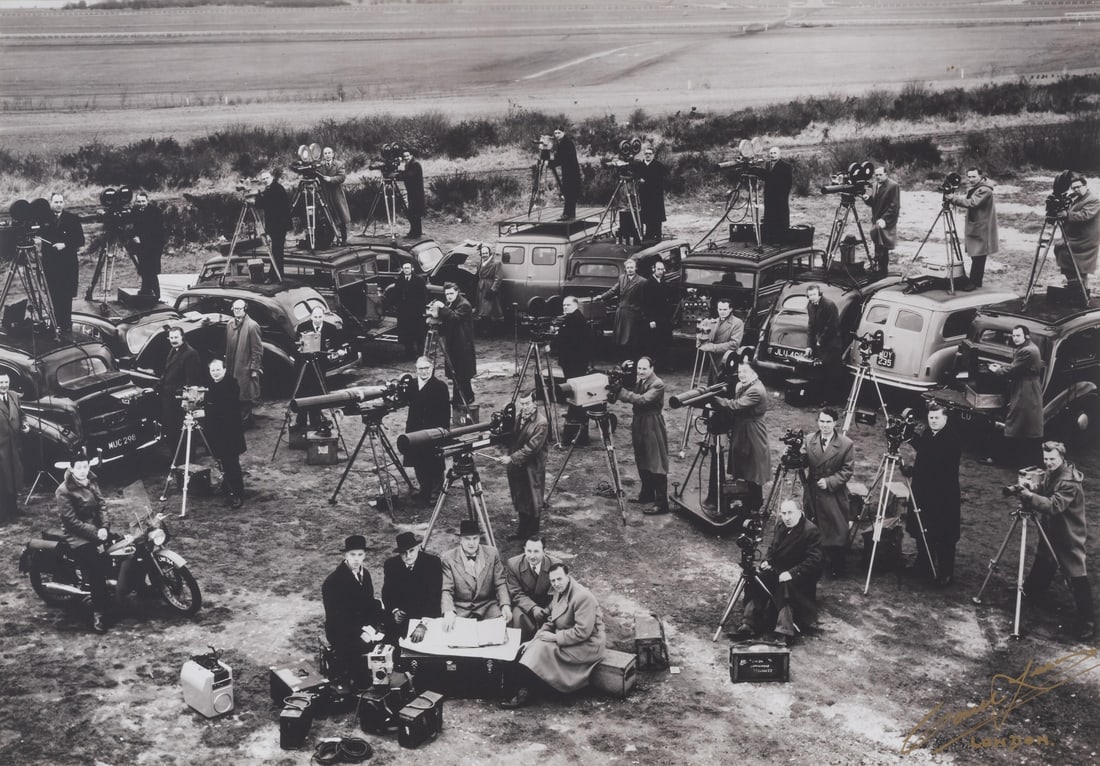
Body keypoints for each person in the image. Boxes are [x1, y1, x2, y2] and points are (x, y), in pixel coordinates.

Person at [501, 562, 606, 709]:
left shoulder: (583, 597)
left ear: (568, 577)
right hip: (569, 636)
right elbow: (552, 619)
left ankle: (527, 691)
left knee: (542, 649)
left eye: (559, 579)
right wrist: (535, 638)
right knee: (532, 646)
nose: (556, 583)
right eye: (552, 580)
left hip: (587, 644)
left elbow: (582, 632)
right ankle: (523, 687)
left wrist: (554, 638)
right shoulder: (559, 592)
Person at [1020, 441, 1094, 641]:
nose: (1048, 463)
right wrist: (1033, 488)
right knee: (1044, 557)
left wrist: (1030, 496)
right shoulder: (1053, 473)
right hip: (1052, 528)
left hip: (1068, 533)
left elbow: (1054, 505)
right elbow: (1046, 491)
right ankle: (1033, 590)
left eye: (1052, 459)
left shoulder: (1068, 481)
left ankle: (1087, 620)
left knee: (1076, 573)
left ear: (1062, 457)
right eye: (1045, 459)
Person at [731, 500, 823, 645]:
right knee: (756, 579)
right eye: (784, 513)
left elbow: (814, 561)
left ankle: (784, 631)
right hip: (779, 570)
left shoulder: (810, 531)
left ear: (800, 512)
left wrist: (792, 573)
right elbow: (773, 549)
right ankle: (749, 622)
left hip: (801, 576)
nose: (786, 517)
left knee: (785, 586)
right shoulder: (781, 526)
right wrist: (767, 561)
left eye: (790, 513)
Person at [905, 404, 961, 587]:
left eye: (936, 418)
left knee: (944, 535)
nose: (933, 421)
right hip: (924, 492)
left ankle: (946, 573)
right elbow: (923, 451)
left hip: (943, 496)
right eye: (931, 418)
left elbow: (936, 465)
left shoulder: (952, 439)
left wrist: (914, 471)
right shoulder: (929, 434)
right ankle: (924, 565)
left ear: (945, 419)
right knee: (923, 528)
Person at [322, 534, 386, 686]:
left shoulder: (366, 574)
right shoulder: (333, 582)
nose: (356, 559)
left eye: (360, 554)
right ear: (345, 555)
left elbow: (369, 604)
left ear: (364, 555)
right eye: (352, 555)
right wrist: (360, 633)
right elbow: (336, 618)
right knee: (362, 679)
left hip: (363, 625)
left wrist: (373, 627)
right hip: (342, 630)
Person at [57, 453, 111, 633]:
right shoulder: (63, 490)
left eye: (85, 467)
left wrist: (104, 526)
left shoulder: (91, 481)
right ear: (71, 468)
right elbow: (70, 521)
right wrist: (97, 533)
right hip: (77, 534)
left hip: (96, 528)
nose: (83, 471)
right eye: (79, 467)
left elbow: (102, 505)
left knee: (123, 547)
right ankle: (99, 612)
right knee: (96, 568)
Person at [802, 408, 854, 578]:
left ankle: (837, 565)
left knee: (835, 529)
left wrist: (830, 481)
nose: (824, 425)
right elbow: (803, 459)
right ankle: (817, 561)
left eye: (828, 422)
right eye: (821, 421)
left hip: (834, 494)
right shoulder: (810, 440)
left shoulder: (846, 444)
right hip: (813, 492)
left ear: (835, 423)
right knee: (814, 526)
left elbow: (847, 470)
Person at [713, 359, 771, 512]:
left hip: (752, 431)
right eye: (739, 372)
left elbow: (736, 405)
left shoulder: (756, 390)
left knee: (753, 467)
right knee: (744, 464)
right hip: (742, 428)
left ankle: (755, 505)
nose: (742, 375)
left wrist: (714, 399)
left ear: (754, 373)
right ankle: (746, 500)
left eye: (745, 372)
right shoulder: (744, 385)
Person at [614, 356, 669, 515]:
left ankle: (661, 502)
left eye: (644, 368)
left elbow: (643, 400)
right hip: (639, 422)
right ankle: (647, 494)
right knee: (642, 457)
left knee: (656, 461)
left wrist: (621, 392)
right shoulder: (641, 381)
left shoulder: (657, 384)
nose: (641, 371)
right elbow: (630, 392)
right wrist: (619, 382)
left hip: (652, 424)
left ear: (652, 369)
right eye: (639, 368)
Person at [988, 325, 1043, 469]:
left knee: (1015, 420)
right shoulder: (1029, 347)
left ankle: (1005, 459)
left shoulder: (1027, 351)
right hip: (1027, 385)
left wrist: (997, 370)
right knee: (1026, 422)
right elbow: (1017, 366)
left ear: (1026, 336)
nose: (1015, 338)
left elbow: (1013, 369)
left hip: (1025, 388)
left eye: (1018, 335)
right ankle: (1023, 460)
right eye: (1013, 335)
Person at [440, 519, 512, 628]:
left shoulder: (492, 553)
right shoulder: (448, 558)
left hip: (488, 606)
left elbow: (500, 583)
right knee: (455, 636)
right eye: (467, 539)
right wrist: (448, 610)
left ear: (479, 538)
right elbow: (446, 589)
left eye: (475, 538)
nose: (472, 543)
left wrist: (505, 605)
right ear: (460, 539)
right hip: (461, 608)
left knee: (501, 630)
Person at [404, 356, 450, 503]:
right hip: (415, 430)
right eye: (420, 369)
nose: (423, 372)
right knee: (418, 461)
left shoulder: (440, 386)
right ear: (416, 369)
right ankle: (425, 490)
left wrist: (442, 431)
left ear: (432, 368)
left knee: (435, 461)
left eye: (426, 368)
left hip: (433, 431)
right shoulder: (411, 384)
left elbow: (445, 412)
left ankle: (437, 493)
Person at [36, 192, 85, 331]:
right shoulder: (43, 219)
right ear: (50, 203)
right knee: (52, 294)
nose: (58, 205)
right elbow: (37, 235)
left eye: (61, 202)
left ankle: (66, 325)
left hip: (67, 264)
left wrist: (65, 245)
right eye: (56, 202)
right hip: (50, 264)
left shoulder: (72, 219)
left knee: (66, 295)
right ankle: (54, 324)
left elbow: (80, 240)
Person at [382, 532, 443, 641]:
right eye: (403, 553)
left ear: (418, 548)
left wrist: (424, 624)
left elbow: (435, 596)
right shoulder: (391, 565)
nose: (408, 556)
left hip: (427, 615)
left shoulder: (432, 563)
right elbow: (387, 593)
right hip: (401, 617)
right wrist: (394, 610)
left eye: (411, 551)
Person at [504, 392, 549, 541]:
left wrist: (511, 458)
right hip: (518, 466)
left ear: (535, 403)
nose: (524, 407)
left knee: (533, 500)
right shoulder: (519, 418)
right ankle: (522, 532)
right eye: (521, 403)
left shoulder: (541, 423)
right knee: (521, 498)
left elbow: (532, 448)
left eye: (527, 403)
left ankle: (532, 536)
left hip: (532, 468)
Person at [203, 358, 246, 509]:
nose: (215, 373)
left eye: (218, 370)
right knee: (222, 460)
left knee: (231, 463)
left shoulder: (230, 385)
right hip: (218, 432)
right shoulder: (211, 385)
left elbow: (224, 409)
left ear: (224, 370)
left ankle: (238, 493)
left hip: (230, 432)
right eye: (212, 370)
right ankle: (228, 487)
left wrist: (205, 411)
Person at [946, 167, 998, 290]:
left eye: (974, 176)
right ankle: (973, 281)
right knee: (976, 255)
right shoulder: (978, 188)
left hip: (982, 228)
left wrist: (952, 198)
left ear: (981, 176)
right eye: (969, 176)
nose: (971, 179)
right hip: (978, 226)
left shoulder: (985, 190)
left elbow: (972, 203)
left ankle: (974, 283)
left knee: (979, 256)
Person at [553, 295, 592, 446]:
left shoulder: (574, 320)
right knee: (574, 389)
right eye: (564, 305)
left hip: (574, 363)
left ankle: (576, 415)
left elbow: (564, 339)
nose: (565, 307)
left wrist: (552, 344)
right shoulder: (573, 319)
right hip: (574, 362)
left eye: (568, 305)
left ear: (576, 305)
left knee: (574, 389)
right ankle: (574, 412)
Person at [504, 536, 560, 640]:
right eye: (529, 551)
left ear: (544, 551)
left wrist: (548, 609)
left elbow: (559, 592)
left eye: (536, 551)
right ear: (524, 549)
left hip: (548, 606)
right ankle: (519, 647)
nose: (532, 556)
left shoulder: (556, 565)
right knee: (517, 616)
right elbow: (515, 592)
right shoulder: (513, 564)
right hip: (525, 606)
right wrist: (533, 608)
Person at [159, 326, 204, 456]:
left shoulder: (190, 354)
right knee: (172, 430)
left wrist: (185, 401)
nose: (173, 340)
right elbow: (166, 373)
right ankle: (177, 457)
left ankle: (187, 458)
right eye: (171, 337)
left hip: (180, 401)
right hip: (168, 399)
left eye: (176, 337)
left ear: (182, 337)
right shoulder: (173, 351)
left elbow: (192, 381)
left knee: (183, 431)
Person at [431, 282, 477, 406]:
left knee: (462, 373)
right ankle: (460, 397)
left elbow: (455, 317)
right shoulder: (449, 303)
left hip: (462, 344)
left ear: (457, 292)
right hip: (452, 342)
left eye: (451, 293)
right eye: (447, 294)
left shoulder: (464, 305)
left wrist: (442, 308)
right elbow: (447, 319)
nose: (449, 296)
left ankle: (466, 397)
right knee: (455, 372)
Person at [1055, 173, 1100, 296]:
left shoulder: (1093, 199)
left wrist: (1067, 215)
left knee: (1067, 254)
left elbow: (1085, 215)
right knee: (1065, 255)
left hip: (1085, 240)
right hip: (1076, 237)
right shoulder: (1076, 198)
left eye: (1078, 187)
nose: (1076, 190)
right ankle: (1075, 287)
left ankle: (1080, 290)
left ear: (1085, 186)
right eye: (1074, 188)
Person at [597, 258, 648, 359]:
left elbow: (644, 300)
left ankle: (632, 360)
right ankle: (622, 360)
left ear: (635, 268)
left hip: (633, 314)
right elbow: (613, 290)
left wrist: (642, 313)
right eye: (628, 268)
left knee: (630, 339)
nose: (630, 269)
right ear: (625, 269)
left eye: (631, 267)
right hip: (621, 312)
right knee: (620, 339)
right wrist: (602, 296)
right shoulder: (622, 278)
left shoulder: (642, 281)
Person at [293, 306, 333, 430]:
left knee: (317, 394)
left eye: (320, 317)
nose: (317, 320)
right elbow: (295, 346)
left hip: (319, 368)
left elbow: (335, 345)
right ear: (311, 317)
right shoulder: (302, 328)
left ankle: (316, 422)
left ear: (323, 317)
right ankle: (301, 422)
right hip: (304, 367)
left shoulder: (330, 329)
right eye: (315, 317)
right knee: (302, 394)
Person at [224, 299, 263, 427]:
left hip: (244, 367)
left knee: (245, 395)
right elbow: (226, 346)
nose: (237, 311)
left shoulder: (252, 326)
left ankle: (246, 422)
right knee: (233, 393)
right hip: (232, 365)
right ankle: (238, 420)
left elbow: (257, 350)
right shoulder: (229, 324)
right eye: (235, 309)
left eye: (239, 309)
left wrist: (254, 369)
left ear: (245, 309)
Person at [804, 284, 844, 404]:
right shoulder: (810, 306)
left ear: (819, 293)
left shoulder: (829, 305)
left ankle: (830, 400)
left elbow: (831, 326)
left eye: (814, 294)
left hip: (832, 344)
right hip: (819, 344)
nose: (812, 297)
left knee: (831, 373)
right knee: (819, 371)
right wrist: (808, 346)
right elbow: (811, 326)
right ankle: (819, 398)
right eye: (810, 295)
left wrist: (820, 340)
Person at [256, 169, 293, 281]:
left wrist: (257, 195)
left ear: (271, 177)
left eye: (267, 178)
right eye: (263, 179)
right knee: (276, 250)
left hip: (279, 225)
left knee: (277, 250)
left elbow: (261, 204)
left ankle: (276, 274)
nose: (265, 180)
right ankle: (275, 272)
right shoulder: (272, 188)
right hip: (277, 225)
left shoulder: (275, 189)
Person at [861, 165, 900, 272]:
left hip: (886, 220)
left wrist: (884, 219)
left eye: (880, 174)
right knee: (877, 242)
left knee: (884, 244)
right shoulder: (874, 185)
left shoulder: (893, 186)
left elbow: (894, 206)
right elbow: (874, 202)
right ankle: (877, 265)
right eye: (876, 175)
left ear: (886, 175)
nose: (878, 177)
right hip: (876, 219)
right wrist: (867, 198)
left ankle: (883, 269)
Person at [128, 191, 166, 298]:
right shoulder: (135, 211)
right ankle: (146, 291)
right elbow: (133, 226)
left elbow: (155, 232)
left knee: (151, 271)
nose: (141, 203)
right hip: (142, 247)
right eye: (139, 201)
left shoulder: (155, 212)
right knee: (144, 269)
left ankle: (156, 295)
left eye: (143, 201)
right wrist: (134, 236)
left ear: (147, 201)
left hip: (154, 246)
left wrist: (141, 240)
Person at [0, 374, 26, 523]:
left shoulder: (13, 396)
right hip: (1, 447)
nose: (4, 385)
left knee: (14, 477)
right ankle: (3, 514)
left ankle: (14, 509)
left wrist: (25, 424)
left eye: (6, 382)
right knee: (3, 480)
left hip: (15, 446)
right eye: (1, 382)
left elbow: (21, 414)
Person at [643, 260, 677, 368]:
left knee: (665, 341)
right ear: (653, 269)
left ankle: (665, 364)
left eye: (662, 269)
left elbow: (671, 293)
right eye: (659, 269)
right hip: (654, 318)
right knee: (655, 342)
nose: (661, 271)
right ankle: (655, 365)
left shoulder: (663, 281)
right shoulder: (648, 284)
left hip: (664, 318)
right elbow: (646, 303)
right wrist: (650, 319)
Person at [697, 299, 744, 375]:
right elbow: (707, 339)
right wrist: (702, 332)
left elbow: (734, 344)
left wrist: (712, 347)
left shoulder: (737, 323)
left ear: (730, 309)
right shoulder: (714, 321)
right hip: (714, 358)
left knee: (724, 382)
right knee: (713, 382)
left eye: (725, 309)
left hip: (727, 359)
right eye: (720, 309)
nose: (722, 312)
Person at [392, 262, 428, 358]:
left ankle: (421, 353)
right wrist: (398, 306)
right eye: (404, 268)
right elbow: (395, 295)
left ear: (412, 269)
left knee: (419, 333)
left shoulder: (419, 280)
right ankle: (409, 353)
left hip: (416, 312)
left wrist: (422, 310)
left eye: (408, 268)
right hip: (404, 312)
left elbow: (423, 296)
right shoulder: (399, 280)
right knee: (406, 333)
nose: (406, 270)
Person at [633, 144, 667, 241]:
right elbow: (636, 176)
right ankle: (648, 235)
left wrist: (646, 181)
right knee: (646, 216)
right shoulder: (640, 166)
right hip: (644, 195)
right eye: (646, 153)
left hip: (655, 195)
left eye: (650, 154)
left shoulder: (658, 166)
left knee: (656, 216)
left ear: (653, 155)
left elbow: (659, 180)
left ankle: (657, 235)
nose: (648, 155)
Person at [318, 146, 351, 245]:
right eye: (325, 153)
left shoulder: (339, 165)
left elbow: (342, 177)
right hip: (326, 195)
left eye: (329, 153)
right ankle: (330, 240)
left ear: (333, 154)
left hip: (336, 195)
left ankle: (344, 239)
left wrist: (331, 179)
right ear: (323, 155)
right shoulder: (321, 166)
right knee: (328, 217)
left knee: (341, 218)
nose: (327, 155)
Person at [762, 146, 793, 244]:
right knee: (769, 216)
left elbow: (789, 182)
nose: (772, 155)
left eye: (774, 153)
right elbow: (766, 178)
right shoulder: (767, 165)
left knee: (781, 217)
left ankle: (781, 239)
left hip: (780, 197)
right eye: (771, 153)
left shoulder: (786, 166)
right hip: (769, 196)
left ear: (779, 154)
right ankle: (770, 238)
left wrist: (783, 195)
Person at [550, 128, 581, 220]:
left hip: (570, 172)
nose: (557, 135)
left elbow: (562, 159)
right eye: (555, 133)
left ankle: (567, 214)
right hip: (569, 171)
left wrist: (552, 163)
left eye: (559, 133)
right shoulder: (564, 142)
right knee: (569, 193)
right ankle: (570, 214)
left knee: (569, 192)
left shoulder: (565, 143)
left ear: (563, 133)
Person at [397, 149, 425, 239]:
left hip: (417, 193)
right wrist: (399, 173)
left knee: (415, 213)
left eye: (407, 156)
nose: (406, 158)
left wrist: (396, 175)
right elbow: (406, 173)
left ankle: (416, 233)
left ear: (411, 155)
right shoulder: (409, 164)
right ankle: (415, 231)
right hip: (412, 192)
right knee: (412, 212)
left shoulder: (415, 164)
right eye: (404, 156)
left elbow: (409, 175)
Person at [476, 246, 503, 324]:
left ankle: (489, 328)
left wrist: (493, 290)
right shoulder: (480, 262)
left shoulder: (496, 263)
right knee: (482, 308)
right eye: (483, 253)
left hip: (489, 287)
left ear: (489, 253)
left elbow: (498, 278)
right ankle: (484, 326)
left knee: (489, 309)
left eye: (486, 253)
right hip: (481, 287)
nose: (484, 255)